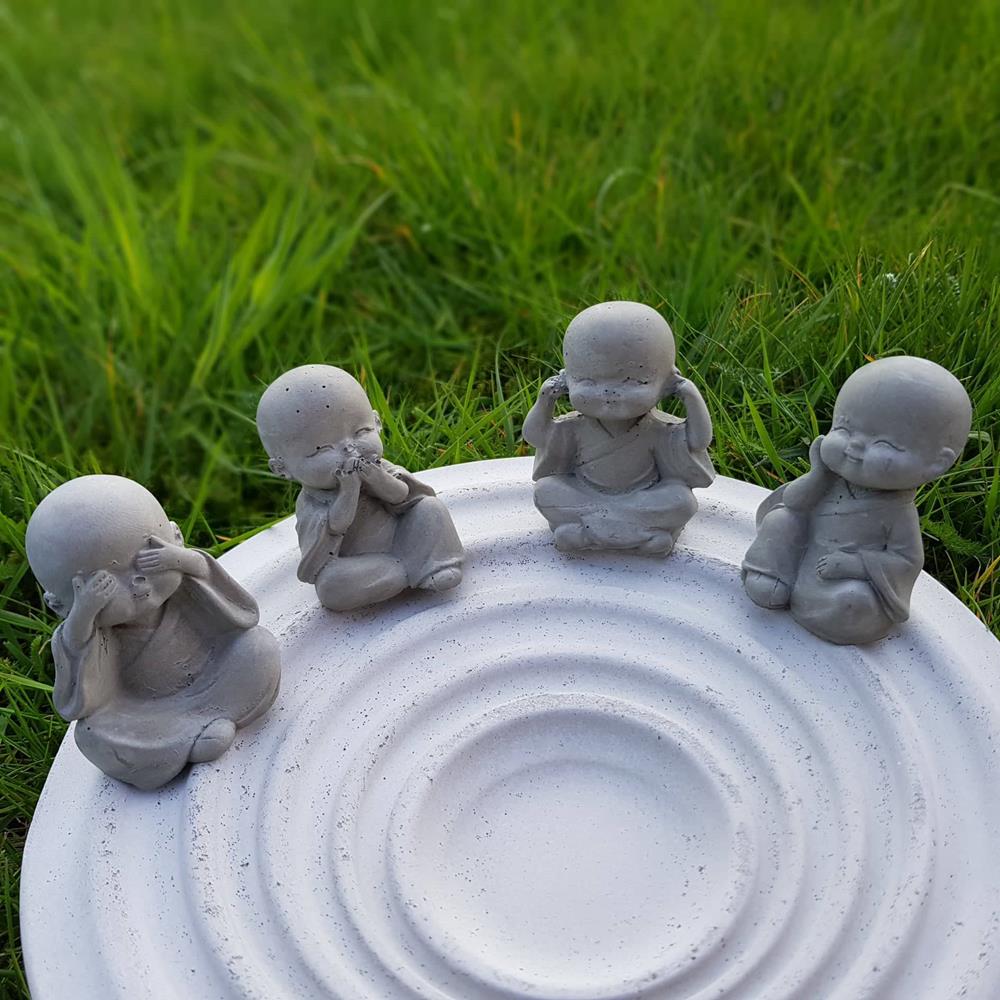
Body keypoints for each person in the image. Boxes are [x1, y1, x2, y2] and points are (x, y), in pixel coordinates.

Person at [25, 475, 281, 789]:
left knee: (258, 648)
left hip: (213, 675)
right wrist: (84, 615)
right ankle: (187, 739)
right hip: (147, 713)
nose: (138, 582)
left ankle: (215, 717)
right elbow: (80, 700)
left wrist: (182, 562)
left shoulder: (187, 585)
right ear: (60, 605)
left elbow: (240, 612)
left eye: (148, 560)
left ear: (177, 538)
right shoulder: (90, 632)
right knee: (92, 734)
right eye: (105, 583)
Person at [742, 356, 973, 644]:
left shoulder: (898, 512)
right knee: (781, 518)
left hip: (839, 583)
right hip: (805, 558)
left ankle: (828, 614)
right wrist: (817, 474)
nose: (854, 447)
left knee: (856, 601)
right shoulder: (829, 478)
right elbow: (794, 502)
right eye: (844, 429)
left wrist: (855, 565)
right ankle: (772, 576)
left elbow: (906, 559)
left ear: (937, 464)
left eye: (884, 444)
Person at [256, 364, 464, 611]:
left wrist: (376, 478)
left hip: (402, 537)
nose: (349, 449)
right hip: (359, 564)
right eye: (322, 449)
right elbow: (336, 526)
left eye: (361, 431)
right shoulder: (311, 501)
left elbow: (402, 495)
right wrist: (349, 490)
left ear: (377, 422)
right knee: (330, 586)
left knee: (430, 508)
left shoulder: (379, 467)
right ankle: (403, 571)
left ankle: (436, 564)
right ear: (282, 468)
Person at [523, 301, 715, 554]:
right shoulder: (574, 428)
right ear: (567, 379)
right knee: (545, 490)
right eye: (588, 381)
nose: (608, 393)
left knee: (681, 500)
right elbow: (535, 437)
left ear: (667, 381)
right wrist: (545, 399)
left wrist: (690, 395)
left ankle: (587, 532)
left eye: (632, 381)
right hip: (587, 494)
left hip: (641, 497)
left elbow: (699, 441)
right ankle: (641, 535)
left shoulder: (657, 429)